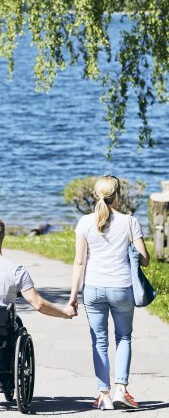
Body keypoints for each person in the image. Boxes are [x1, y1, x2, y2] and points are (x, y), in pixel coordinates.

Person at [0, 217, 77, 394]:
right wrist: (64, 313)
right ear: (1, 238)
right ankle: (4, 375)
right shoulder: (15, 270)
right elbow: (38, 304)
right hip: (2, 329)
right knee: (15, 324)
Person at [68, 175, 150, 410]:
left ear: (96, 195)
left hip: (93, 289)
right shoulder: (130, 222)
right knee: (123, 337)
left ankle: (103, 395)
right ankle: (121, 390)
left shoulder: (84, 222)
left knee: (99, 342)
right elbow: (145, 261)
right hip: (122, 288)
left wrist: (73, 296)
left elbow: (79, 262)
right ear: (119, 195)